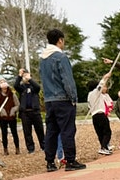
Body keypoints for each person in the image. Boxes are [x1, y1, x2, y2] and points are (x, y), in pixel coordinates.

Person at [39, 28, 85, 171]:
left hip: (49, 99)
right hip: (63, 99)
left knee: (51, 131)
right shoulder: (61, 57)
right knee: (67, 130)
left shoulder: (43, 58)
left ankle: (50, 162)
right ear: (60, 40)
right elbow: (67, 80)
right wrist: (73, 98)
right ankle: (70, 161)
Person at [0, 78, 21, 155]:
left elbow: (17, 104)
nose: (3, 83)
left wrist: (13, 110)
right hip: (3, 117)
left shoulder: (12, 94)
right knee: (4, 133)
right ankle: (5, 149)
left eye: (4, 82)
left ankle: (17, 148)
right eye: (1, 82)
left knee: (14, 132)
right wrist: (1, 110)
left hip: (12, 116)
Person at [87, 77, 114, 155]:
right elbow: (101, 83)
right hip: (100, 114)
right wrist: (107, 76)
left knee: (100, 133)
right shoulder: (96, 92)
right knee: (107, 132)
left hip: (94, 116)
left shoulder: (89, 95)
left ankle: (104, 147)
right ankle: (103, 147)